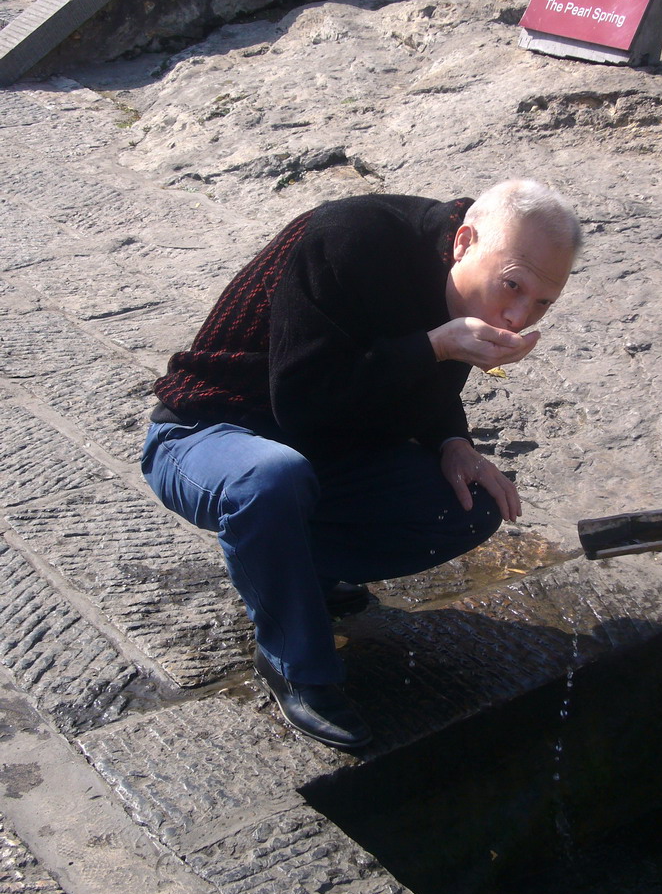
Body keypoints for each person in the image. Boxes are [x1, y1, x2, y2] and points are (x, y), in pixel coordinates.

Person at [141, 178, 581, 749]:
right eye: (514, 287)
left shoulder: (468, 275)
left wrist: (453, 443)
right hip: (208, 431)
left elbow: (420, 388)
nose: (520, 315)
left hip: (318, 449)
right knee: (271, 480)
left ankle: (296, 575)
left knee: (468, 506)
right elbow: (301, 401)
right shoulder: (349, 238)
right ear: (464, 241)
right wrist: (437, 345)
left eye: (543, 302)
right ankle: (294, 662)